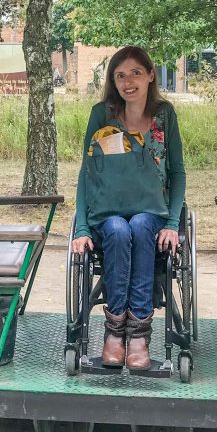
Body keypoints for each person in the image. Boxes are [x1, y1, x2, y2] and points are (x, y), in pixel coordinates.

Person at [70, 46, 186, 371]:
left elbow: (177, 173)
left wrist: (173, 224)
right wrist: (81, 228)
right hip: (107, 213)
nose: (128, 81)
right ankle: (114, 334)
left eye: (135, 72)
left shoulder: (165, 115)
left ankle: (138, 336)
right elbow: (86, 172)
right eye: (120, 75)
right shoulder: (101, 115)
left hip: (153, 214)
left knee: (137, 226)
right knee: (120, 230)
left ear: (151, 74)